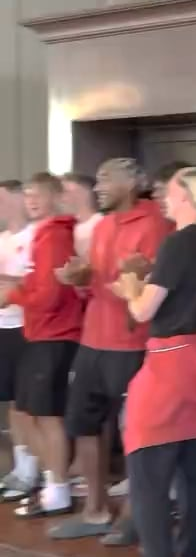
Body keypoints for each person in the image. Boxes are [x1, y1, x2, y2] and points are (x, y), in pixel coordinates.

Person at [104, 167, 196, 557]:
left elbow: (144, 309)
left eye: (171, 188)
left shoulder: (179, 243)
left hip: (169, 366)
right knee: (193, 475)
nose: (162, 194)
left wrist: (130, 288)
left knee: (150, 481)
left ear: (188, 197)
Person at [51, 159, 170, 540]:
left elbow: (154, 287)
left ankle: (136, 514)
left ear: (135, 181)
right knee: (85, 423)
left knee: (134, 430)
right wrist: (80, 278)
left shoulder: (155, 224)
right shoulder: (103, 226)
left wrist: (139, 274)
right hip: (93, 338)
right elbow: (97, 282)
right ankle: (95, 509)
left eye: (106, 178)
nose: (98, 185)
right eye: (97, 176)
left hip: (132, 341)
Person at [1, 172, 82, 516]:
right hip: (41, 332)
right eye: (29, 194)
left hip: (53, 333)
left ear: (56, 197)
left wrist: (13, 293)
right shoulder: (48, 234)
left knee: (48, 416)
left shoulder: (53, 235)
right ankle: (52, 483)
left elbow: (49, 294)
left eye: (38, 195)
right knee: (31, 413)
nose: (32, 200)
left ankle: (58, 486)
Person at [0, 181, 37, 500]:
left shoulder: (36, 236)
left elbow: (36, 281)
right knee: (11, 400)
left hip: (26, 326)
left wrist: (8, 282)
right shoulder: (2, 239)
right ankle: (19, 466)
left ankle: (35, 470)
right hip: (2, 326)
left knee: (28, 403)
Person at [61, 173, 102, 259]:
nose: (61, 198)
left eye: (66, 192)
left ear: (84, 194)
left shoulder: (101, 224)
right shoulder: (67, 227)